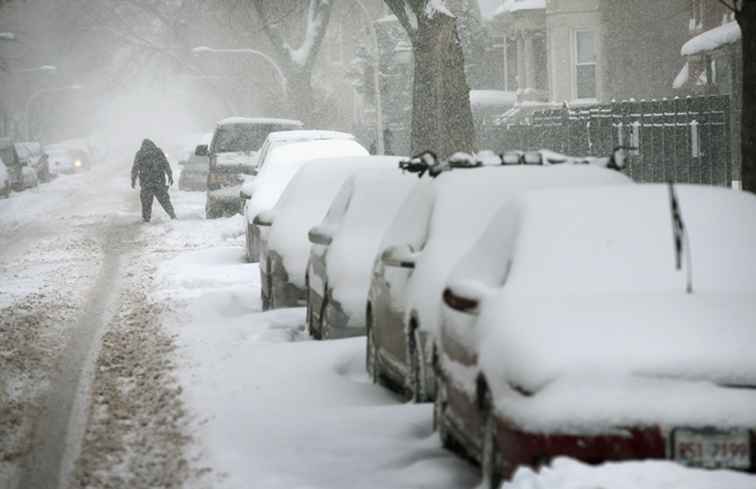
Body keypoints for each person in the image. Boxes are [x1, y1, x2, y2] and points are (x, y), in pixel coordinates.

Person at [131, 139, 176, 222]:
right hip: (158, 181)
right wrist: (170, 176)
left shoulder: (140, 153)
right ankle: (172, 215)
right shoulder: (158, 152)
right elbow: (166, 164)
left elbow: (135, 167)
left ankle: (146, 219)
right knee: (165, 201)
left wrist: (133, 180)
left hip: (146, 183)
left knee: (146, 203)